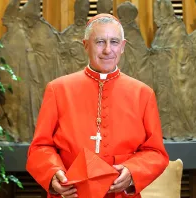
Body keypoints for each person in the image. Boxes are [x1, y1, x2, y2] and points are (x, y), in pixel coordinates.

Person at [26, 13, 169, 198]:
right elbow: (39, 147)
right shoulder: (58, 90)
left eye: (114, 42)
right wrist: (53, 174)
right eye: (100, 42)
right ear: (86, 45)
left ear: (123, 46)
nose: (108, 50)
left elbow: (156, 152)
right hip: (72, 192)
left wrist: (133, 172)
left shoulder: (143, 94)